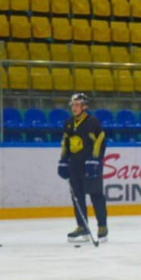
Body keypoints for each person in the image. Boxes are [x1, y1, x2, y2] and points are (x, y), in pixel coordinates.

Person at [57, 93, 108, 243]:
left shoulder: (93, 122)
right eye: (73, 104)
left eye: (77, 104)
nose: (74, 107)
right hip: (74, 165)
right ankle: (82, 226)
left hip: (90, 165)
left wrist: (95, 160)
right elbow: (65, 143)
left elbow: (100, 140)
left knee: (96, 195)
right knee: (77, 197)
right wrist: (63, 161)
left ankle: (102, 226)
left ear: (84, 106)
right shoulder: (68, 123)